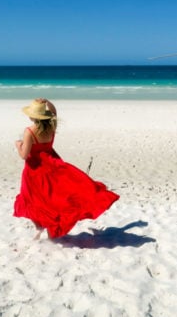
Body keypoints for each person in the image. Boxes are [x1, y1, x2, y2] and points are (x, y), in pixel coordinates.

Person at [13, 98, 119, 240]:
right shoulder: (51, 126)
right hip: (52, 165)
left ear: (33, 116)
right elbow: (55, 113)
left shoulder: (29, 131)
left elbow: (24, 155)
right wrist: (48, 102)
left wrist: (18, 145)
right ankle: (48, 231)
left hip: (34, 169)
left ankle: (39, 226)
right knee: (52, 200)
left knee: (30, 199)